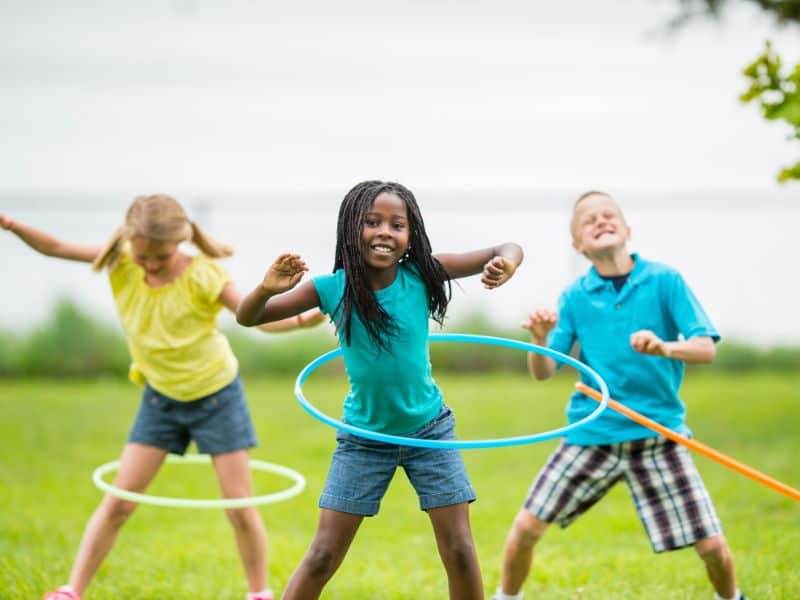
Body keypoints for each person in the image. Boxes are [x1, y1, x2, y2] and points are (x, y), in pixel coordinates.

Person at [1, 194, 323, 600]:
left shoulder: (204, 275)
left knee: (239, 506)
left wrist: (298, 320)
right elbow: (57, 248)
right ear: (128, 240)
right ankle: (72, 590)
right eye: (144, 256)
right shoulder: (119, 259)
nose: (151, 264)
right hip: (161, 399)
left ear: (181, 241)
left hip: (216, 397)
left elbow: (254, 316)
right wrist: (12, 225)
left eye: (161, 257)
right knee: (119, 501)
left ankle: (259, 593)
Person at [237, 180, 524, 599]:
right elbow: (249, 318)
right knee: (322, 554)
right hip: (364, 438)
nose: (384, 232)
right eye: (372, 222)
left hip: (430, 431)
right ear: (352, 230)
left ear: (412, 236)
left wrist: (507, 265)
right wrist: (266, 288)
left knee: (460, 549)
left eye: (396, 224)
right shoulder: (331, 288)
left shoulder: (424, 274)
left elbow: (508, 246)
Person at [493, 191, 744, 600]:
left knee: (713, 547)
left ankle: (731, 597)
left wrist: (665, 347)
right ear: (578, 245)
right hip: (594, 434)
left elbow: (706, 348)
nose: (600, 221)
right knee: (524, 530)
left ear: (626, 229)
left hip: (658, 434)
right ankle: (505, 597)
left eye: (609, 215)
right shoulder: (575, 296)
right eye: (588, 220)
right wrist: (539, 338)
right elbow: (545, 371)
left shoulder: (665, 281)